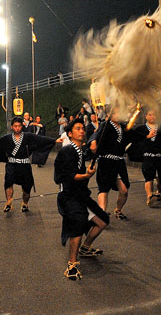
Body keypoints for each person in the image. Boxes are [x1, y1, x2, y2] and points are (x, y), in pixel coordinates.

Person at [54, 118, 109, 280]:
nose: (82, 131)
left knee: (103, 220)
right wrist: (86, 175)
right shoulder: (67, 151)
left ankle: (85, 247)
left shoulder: (79, 150)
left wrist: (88, 168)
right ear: (70, 134)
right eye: (78, 129)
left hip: (81, 195)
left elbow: (87, 154)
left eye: (83, 128)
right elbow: (68, 176)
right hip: (69, 196)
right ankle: (72, 264)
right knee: (77, 226)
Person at [0, 115, 59, 213]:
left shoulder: (28, 136)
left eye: (19, 126)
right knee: (8, 182)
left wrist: (54, 141)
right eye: (15, 126)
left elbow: (40, 139)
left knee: (27, 188)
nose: (17, 128)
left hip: (24, 165)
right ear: (12, 126)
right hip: (12, 164)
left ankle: (25, 204)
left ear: (22, 126)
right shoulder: (7, 138)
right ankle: (8, 202)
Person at [89, 108, 132, 220]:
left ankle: (118, 210)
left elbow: (130, 130)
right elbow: (96, 135)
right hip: (106, 162)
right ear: (109, 114)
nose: (118, 115)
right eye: (116, 112)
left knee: (124, 190)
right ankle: (102, 213)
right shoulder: (105, 125)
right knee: (104, 188)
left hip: (119, 163)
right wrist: (93, 142)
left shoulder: (122, 127)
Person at [130, 109, 161, 207]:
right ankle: (149, 196)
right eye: (150, 115)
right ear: (146, 116)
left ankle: (158, 192)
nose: (152, 117)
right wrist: (147, 137)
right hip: (148, 156)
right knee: (149, 177)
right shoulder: (140, 129)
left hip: (160, 156)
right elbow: (134, 139)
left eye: (154, 115)